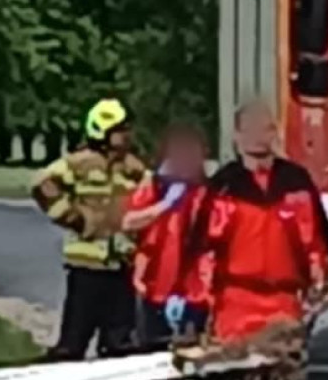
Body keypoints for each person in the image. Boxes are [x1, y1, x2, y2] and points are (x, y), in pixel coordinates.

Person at [181, 101, 328, 343]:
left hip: (286, 304)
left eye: (265, 128)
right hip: (235, 304)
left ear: (274, 133)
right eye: (251, 128)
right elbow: (202, 248)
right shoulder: (222, 186)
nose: (258, 135)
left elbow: (319, 242)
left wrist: (325, 289)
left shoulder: (296, 181)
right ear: (237, 136)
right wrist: (195, 306)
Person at [31, 98, 151, 360]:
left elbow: (151, 196)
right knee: (73, 342)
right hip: (86, 268)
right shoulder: (79, 163)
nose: (127, 135)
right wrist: (74, 218)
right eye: (121, 130)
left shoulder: (133, 168)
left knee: (120, 343)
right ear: (103, 131)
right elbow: (42, 184)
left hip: (121, 267)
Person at [121, 121, 211, 352]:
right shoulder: (155, 186)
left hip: (198, 292)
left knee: (194, 353)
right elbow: (129, 221)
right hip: (154, 286)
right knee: (151, 353)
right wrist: (164, 205)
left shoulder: (210, 191)